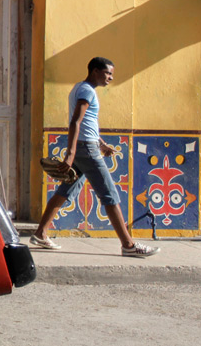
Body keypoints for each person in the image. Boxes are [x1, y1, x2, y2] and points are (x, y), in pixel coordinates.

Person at [31, 57, 159, 257]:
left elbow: (87, 123)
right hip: (86, 151)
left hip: (88, 147)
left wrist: (101, 144)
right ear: (95, 71)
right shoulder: (86, 91)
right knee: (110, 195)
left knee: (65, 191)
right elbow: (76, 121)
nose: (110, 78)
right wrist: (70, 154)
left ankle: (40, 233)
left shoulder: (80, 88)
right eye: (108, 73)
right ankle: (128, 245)